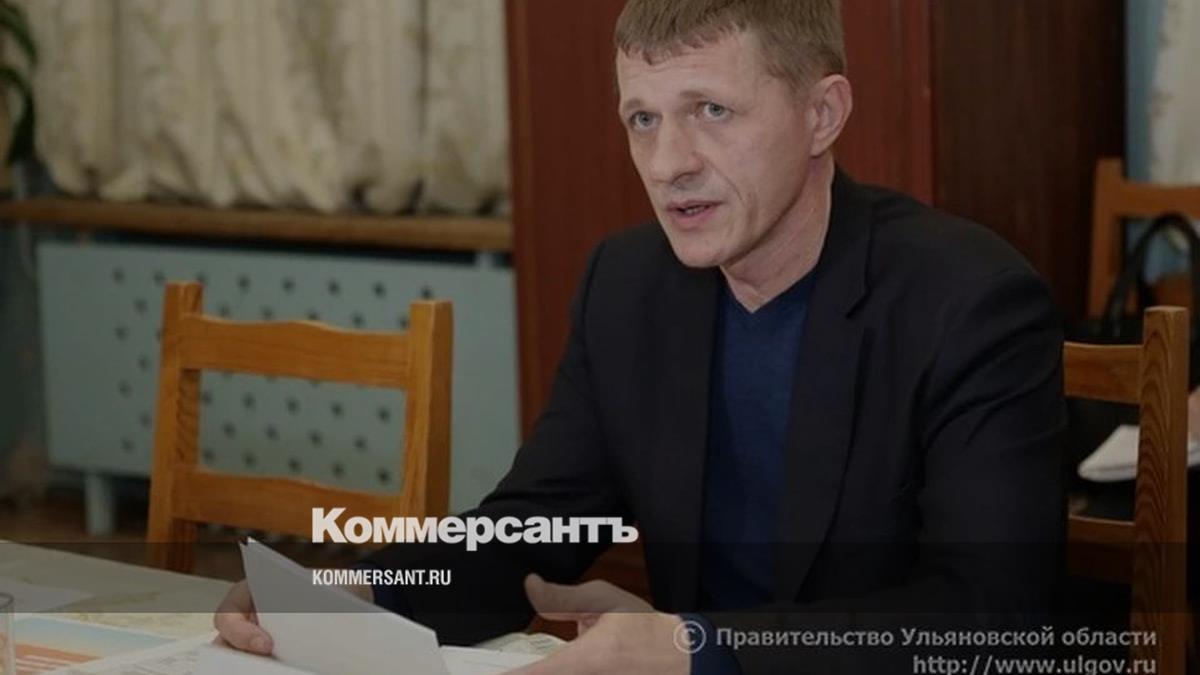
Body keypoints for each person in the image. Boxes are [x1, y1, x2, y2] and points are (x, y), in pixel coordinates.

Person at [215, 0, 1065, 672]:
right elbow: (538, 523)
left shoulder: (969, 301)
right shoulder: (629, 284)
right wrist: (367, 590)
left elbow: (992, 614)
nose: (668, 165)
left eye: (711, 110)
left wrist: (695, 647)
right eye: (643, 119)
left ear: (822, 113)